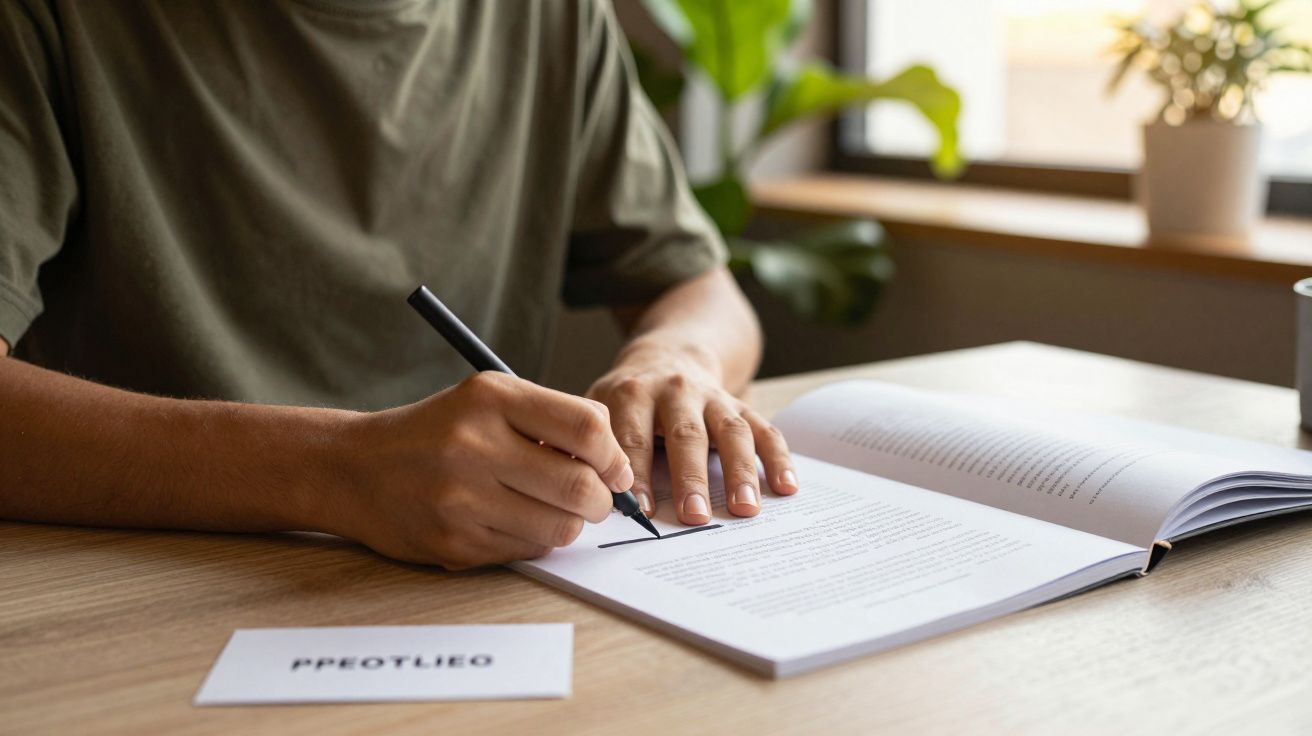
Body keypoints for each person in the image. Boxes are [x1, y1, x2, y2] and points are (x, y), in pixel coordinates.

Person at [0, 0, 799, 569]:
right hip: (136, 588)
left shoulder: (550, 18)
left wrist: (677, 356)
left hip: (490, 583)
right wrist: (333, 469)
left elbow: (700, 287)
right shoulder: (48, 19)